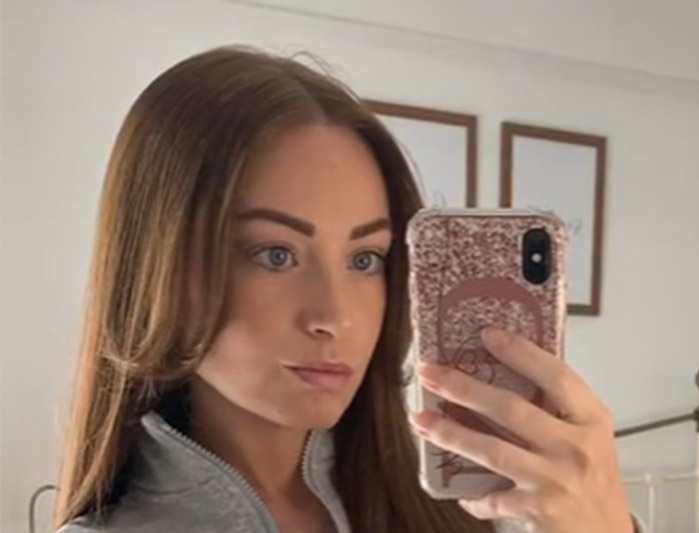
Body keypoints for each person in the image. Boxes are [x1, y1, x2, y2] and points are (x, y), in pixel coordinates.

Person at [53, 47, 643, 533]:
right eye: (276, 255)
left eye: (365, 259)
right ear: (161, 265)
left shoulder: (474, 512)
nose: (336, 317)